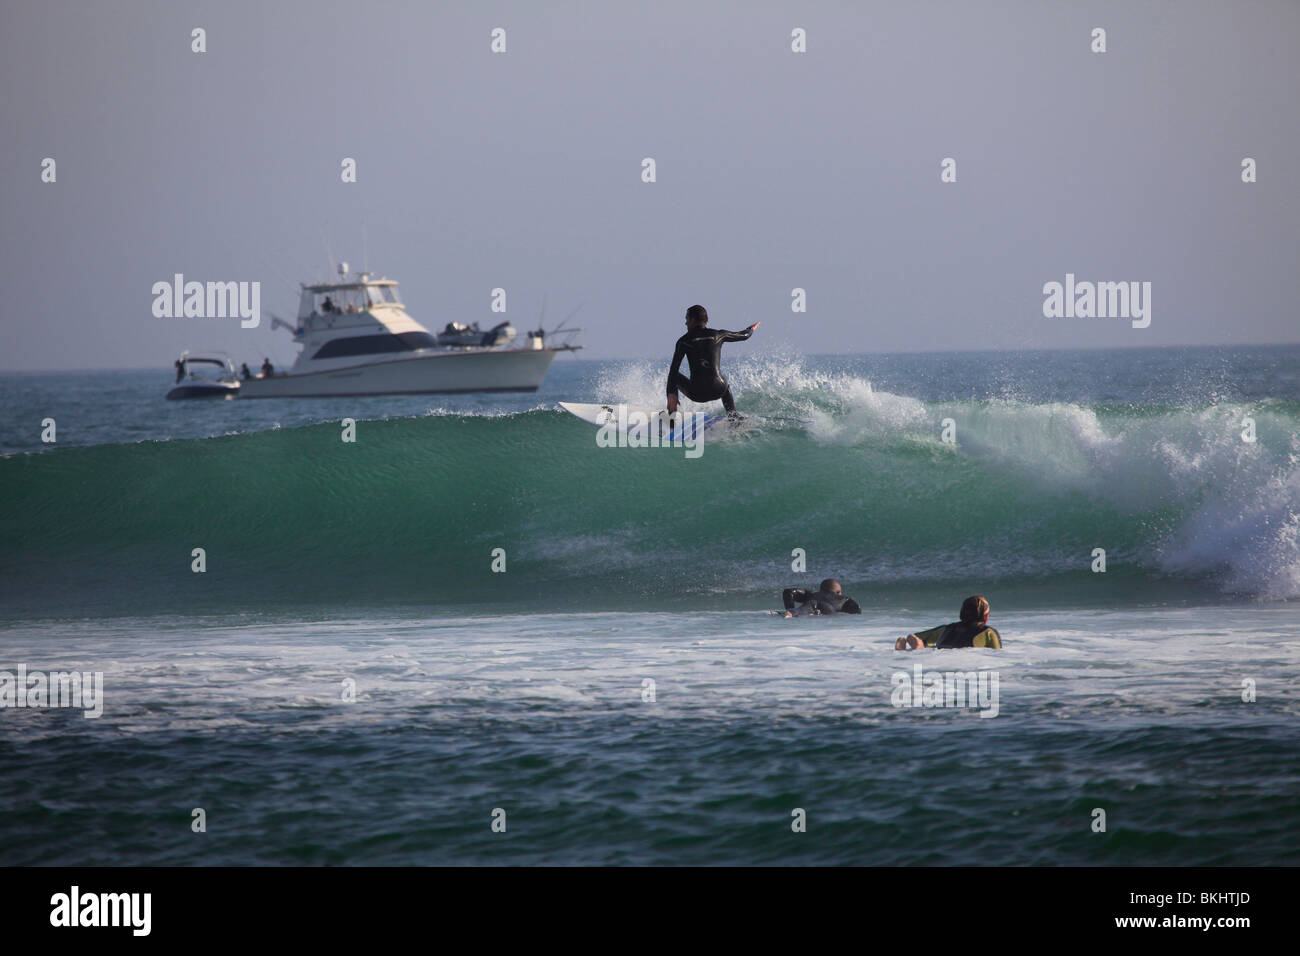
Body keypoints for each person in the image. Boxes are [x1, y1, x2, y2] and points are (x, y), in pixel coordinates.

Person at [666, 305, 758, 418]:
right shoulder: (718, 335)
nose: (686, 323)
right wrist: (751, 328)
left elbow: (673, 371)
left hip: (697, 393)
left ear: (693, 320)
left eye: (687, 319)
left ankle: (671, 414)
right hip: (718, 390)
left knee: (675, 375)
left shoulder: (683, 341)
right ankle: (733, 416)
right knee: (722, 379)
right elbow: (744, 335)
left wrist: (671, 393)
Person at [895, 595, 1002, 649]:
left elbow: (916, 636)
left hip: (943, 654)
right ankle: (920, 648)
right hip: (963, 660)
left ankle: (920, 648)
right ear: (985, 616)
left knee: (928, 645)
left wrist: (913, 639)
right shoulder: (988, 632)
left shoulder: (947, 628)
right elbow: (997, 656)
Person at [782, 578, 861, 617]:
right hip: (828, 610)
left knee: (800, 611)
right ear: (838, 592)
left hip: (810, 605)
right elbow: (857, 609)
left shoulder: (812, 594)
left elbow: (788, 592)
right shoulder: (844, 598)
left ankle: (790, 612)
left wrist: (789, 607)